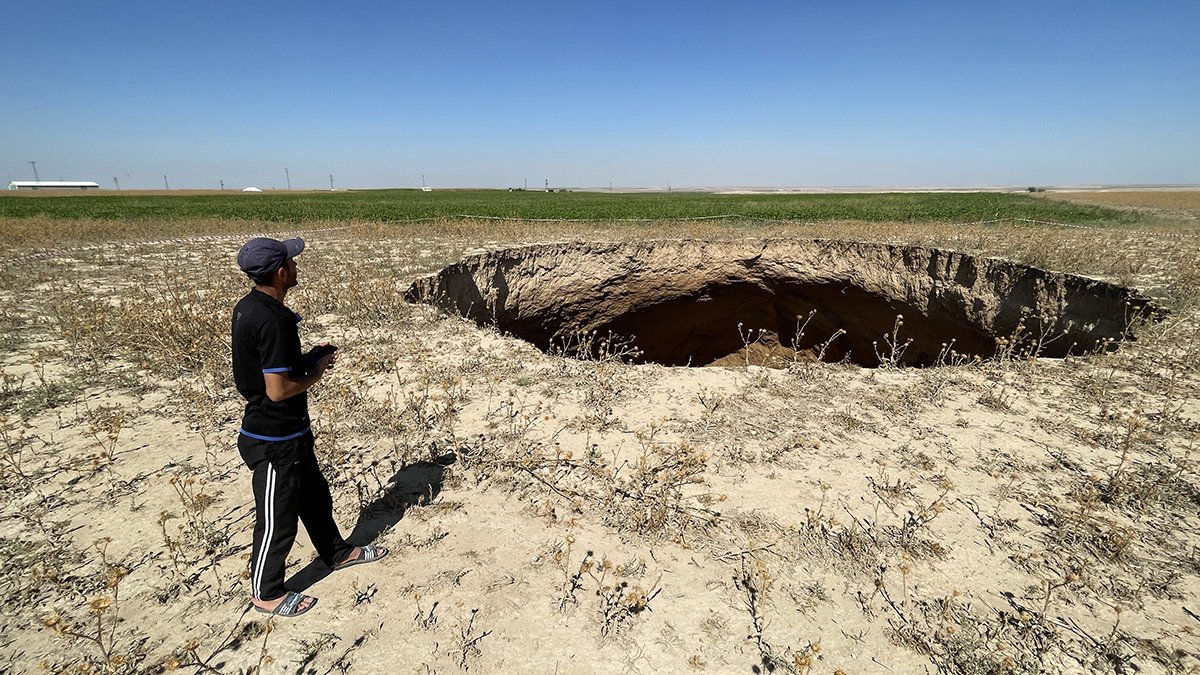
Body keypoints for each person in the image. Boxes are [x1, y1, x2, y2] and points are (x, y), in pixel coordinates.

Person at [232, 236, 387, 617]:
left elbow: (269, 363)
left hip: (291, 434)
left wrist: (307, 357)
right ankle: (266, 592)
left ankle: (337, 552)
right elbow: (278, 388)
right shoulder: (273, 320)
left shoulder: (251, 307)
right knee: (277, 518)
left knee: (315, 498)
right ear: (281, 272)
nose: (297, 267)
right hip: (272, 439)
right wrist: (315, 371)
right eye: (292, 263)